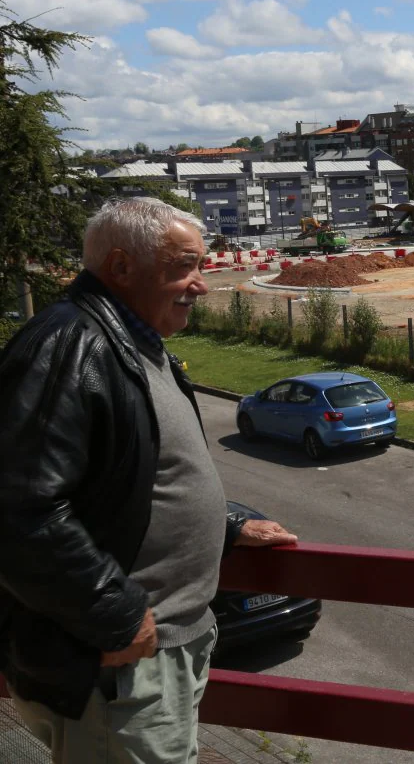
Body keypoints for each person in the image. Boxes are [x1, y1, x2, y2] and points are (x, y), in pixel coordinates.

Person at [0, 197, 298, 763]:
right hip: (122, 663)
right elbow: (18, 507)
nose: (200, 285)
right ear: (120, 268)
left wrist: (228, 523)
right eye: (183, 267)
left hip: (152, 651)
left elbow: (136, 475)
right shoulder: (69, 346)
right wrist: (112, 613)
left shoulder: (132, 344)